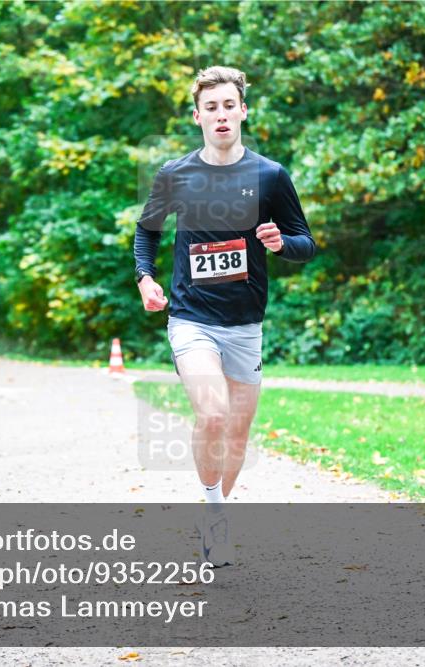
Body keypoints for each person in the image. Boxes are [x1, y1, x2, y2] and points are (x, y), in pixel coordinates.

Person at [133, 66, 316, 566]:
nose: (220, 115)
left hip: (246, 323)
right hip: (191, 318)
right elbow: (146, 231)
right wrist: (145, 277)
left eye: (228, 105)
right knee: (212, 413)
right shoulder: (175, 174)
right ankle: (215, 518)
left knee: (237, 433)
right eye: (210, 107)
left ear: (242, 111)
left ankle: (217, 506)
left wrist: (281, 243)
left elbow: (306, 244)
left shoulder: (270, 175)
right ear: (198, 116)